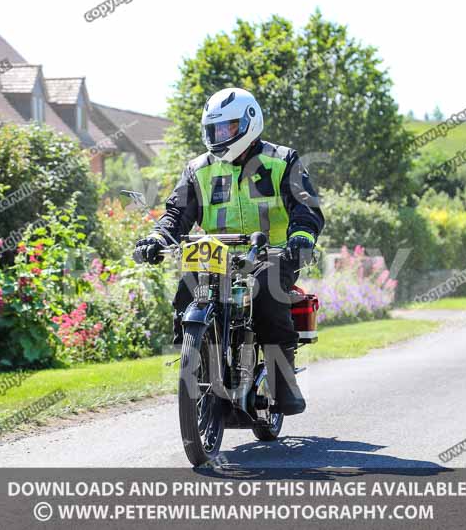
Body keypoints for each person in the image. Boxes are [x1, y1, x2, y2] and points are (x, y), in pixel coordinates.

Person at [133, 87, 324, 415]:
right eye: (214, 130)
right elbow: (177, 214)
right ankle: (195, 360)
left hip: (272, 253)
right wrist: (156, 238)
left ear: (250, 122)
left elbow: (305, 207)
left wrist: (302, 237)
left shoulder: (282, 160)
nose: (220, 136)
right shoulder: (198, 169)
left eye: (227, 128)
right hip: (214, 255)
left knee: (266, 293)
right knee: (187, 289)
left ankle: (282, 380)